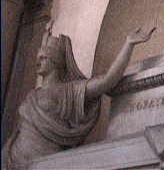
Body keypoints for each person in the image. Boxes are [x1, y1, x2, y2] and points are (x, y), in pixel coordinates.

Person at [3, 22, 155, 170]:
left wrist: (128, 44)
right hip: (12, 157)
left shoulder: (70, 91)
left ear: (56, 61)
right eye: (38, 58)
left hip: (43, 161)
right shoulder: (32, 95)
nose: (37, 62)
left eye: (43, 58)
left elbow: (107, 81)